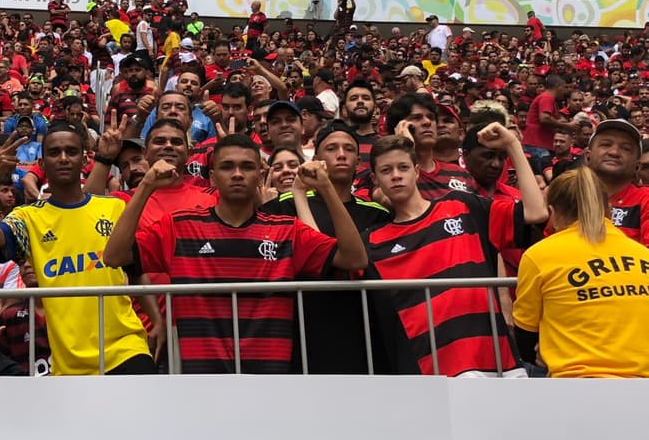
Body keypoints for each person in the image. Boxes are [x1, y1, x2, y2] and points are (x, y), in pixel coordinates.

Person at [103, 133, 368, 374]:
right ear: (213, 177)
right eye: (227, 167)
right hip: (202, 378)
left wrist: (326, 189)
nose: (238, 174)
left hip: (271, 378)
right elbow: (114, 256)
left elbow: (354, 259)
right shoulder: (179, 226)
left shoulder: (287, 231)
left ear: (259, 175)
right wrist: (147, 186)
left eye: (248, 167)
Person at [0, 121, 156, 375]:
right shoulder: (27, 218)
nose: (63, 158)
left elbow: (135, 269)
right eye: (54, 152)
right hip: (68, 361)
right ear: (43, 162)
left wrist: (157, 322)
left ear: (84, 160)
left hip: (126, 347)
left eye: (71, 152)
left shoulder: (113, 208)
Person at [365, 125, 548, 376]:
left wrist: (513, 145)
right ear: (375, 179)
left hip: (495, 361)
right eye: (386, 170)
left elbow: (536, 212)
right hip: (431, 374)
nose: (396, 175)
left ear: (417, 172)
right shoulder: (373, 241)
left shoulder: (462, 204)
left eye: (403, 167)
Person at [261, 121, 389, 373]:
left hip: (359, 324)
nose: (341, 154)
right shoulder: (284, 205)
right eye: (332, 148)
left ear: (358, 162)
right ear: (317, 159)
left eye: (349, 149)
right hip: (302, 322)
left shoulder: (377, 214)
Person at [513, 168, 649, 378]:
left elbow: (525, 336)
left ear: (553, 212)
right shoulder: (644, 255)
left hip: (574, 386)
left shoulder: (539, 255)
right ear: (610, 209)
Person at [584, 119, 649, 246]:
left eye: (626, 148)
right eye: (606, 144)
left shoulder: (646, 199)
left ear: (637, 166)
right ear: (587, 156)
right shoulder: (568, 196)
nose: (614, 152)